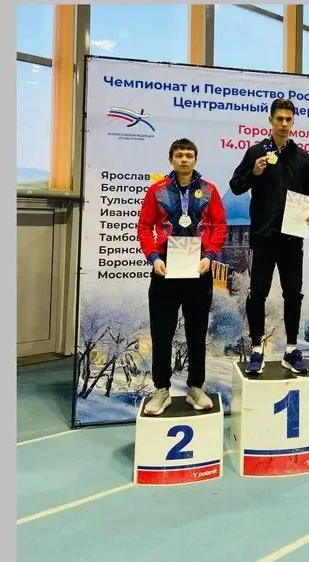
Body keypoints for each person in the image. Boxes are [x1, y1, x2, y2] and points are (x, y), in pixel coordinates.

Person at [137, 138, 228, 416]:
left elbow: (219, 226)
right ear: (171, 159)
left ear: (195, 159)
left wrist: (209, 255)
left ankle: (196, 387)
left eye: (189, 155)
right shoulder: (158, 191)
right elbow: (144, 226)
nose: (184, 159)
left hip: (198, 269)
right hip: (165, 269)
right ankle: (161, 389)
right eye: (179, 155)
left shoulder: (208, 191)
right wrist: (153, 258)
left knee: (197, 332)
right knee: (162, 332)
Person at [229, 98, 309, 375]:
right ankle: (257, 349)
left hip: (292, 237)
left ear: (293, 122)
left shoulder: (301, 156)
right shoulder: (256, 152)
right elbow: (236, 186)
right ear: (270, 120)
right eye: (279, 118)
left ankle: (291, 350)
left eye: (288, 119)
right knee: (258, 294)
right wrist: (254, 173)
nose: (283, 123)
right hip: (264, 236)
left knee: (293, 294)